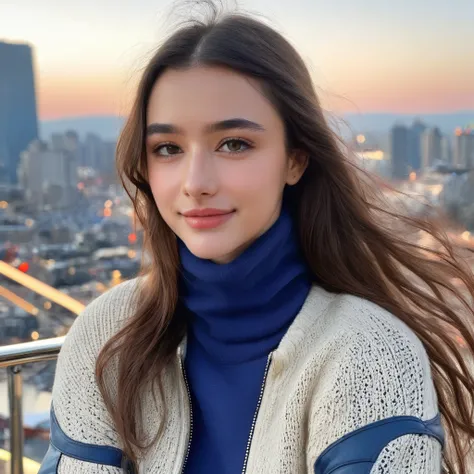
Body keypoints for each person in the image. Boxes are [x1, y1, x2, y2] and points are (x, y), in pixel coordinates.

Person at [39, 4, 474, 474]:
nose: (196, 182)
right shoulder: (108, 335)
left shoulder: (371, 355)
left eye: (234, 144)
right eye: (168, 148)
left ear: (296, 159)